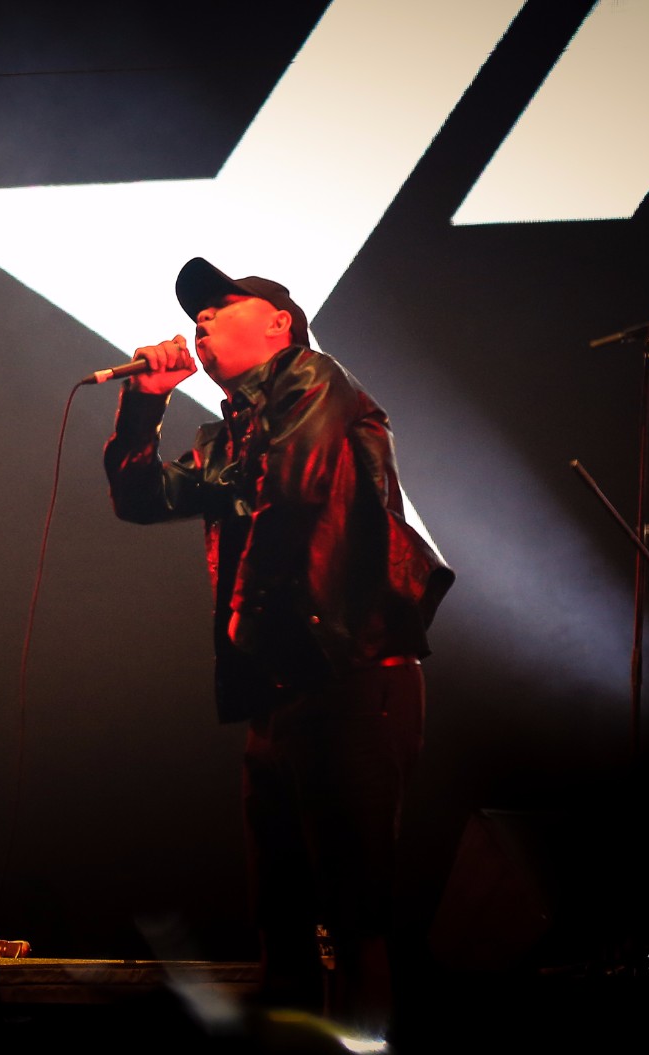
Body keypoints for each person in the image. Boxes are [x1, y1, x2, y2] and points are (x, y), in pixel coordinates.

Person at [102, 257, 454, 1040]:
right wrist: (144, 403)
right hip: (280, 687)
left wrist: (242, 615)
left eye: (220, 305)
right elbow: (139, 497)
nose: (200, 321)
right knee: (281, 916)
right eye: (195, 314)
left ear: (279, 323)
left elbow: (292, 489)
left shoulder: (315, 381)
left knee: (355, 915)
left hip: (354, 672)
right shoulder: (228, 436)